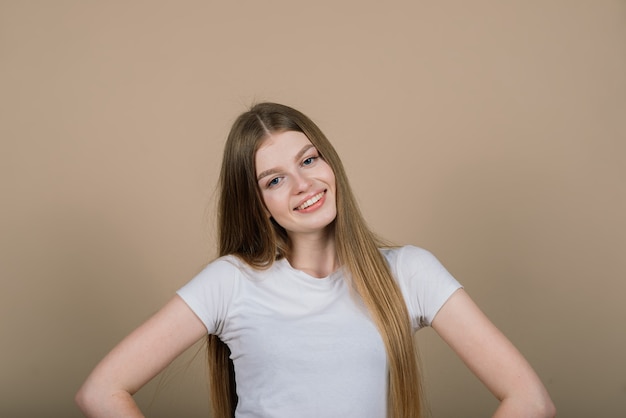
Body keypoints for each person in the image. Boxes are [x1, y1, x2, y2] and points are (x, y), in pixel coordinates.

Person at [75, 102, 556, 418]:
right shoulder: (231, 282)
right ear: (257, 201)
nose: (304, 184)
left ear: (329, 164)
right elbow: (102, 391)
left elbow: (530, 400)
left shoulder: (409, 272)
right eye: (275, 179)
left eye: (308, 160)